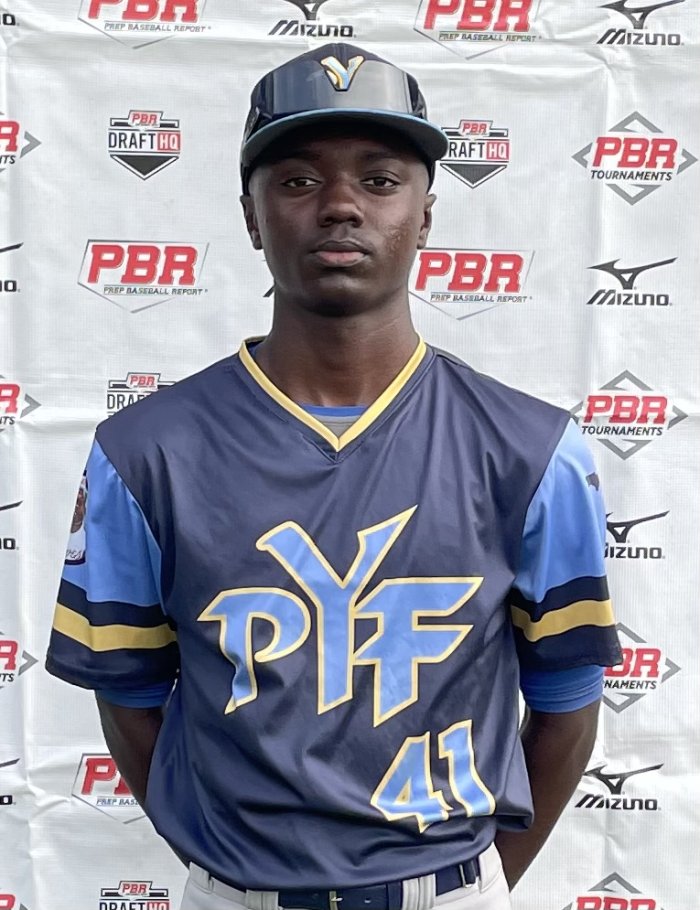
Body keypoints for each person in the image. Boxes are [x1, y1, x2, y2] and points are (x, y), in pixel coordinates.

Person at [46, 43, 622, 910]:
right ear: (251, 217)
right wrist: (233, 868)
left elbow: (567, 697)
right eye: (298, 180)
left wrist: (477, 883)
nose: (342, 205)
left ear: (426, 216)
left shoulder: (533, 449)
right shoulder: (144, 451)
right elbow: (128, 696)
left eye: (381, 180)